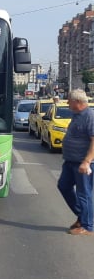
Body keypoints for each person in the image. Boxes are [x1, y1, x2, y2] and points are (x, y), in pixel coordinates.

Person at [58, 89, 94, 235]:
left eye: (69, 100)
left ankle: (87, 226)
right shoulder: (76, 115)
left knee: (84, 193)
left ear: (77, 102)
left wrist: (86, 161)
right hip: (70, 161)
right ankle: (82, 215)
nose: (67, 103)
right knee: (63, 186)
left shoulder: (90, 116)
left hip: (83, 163)